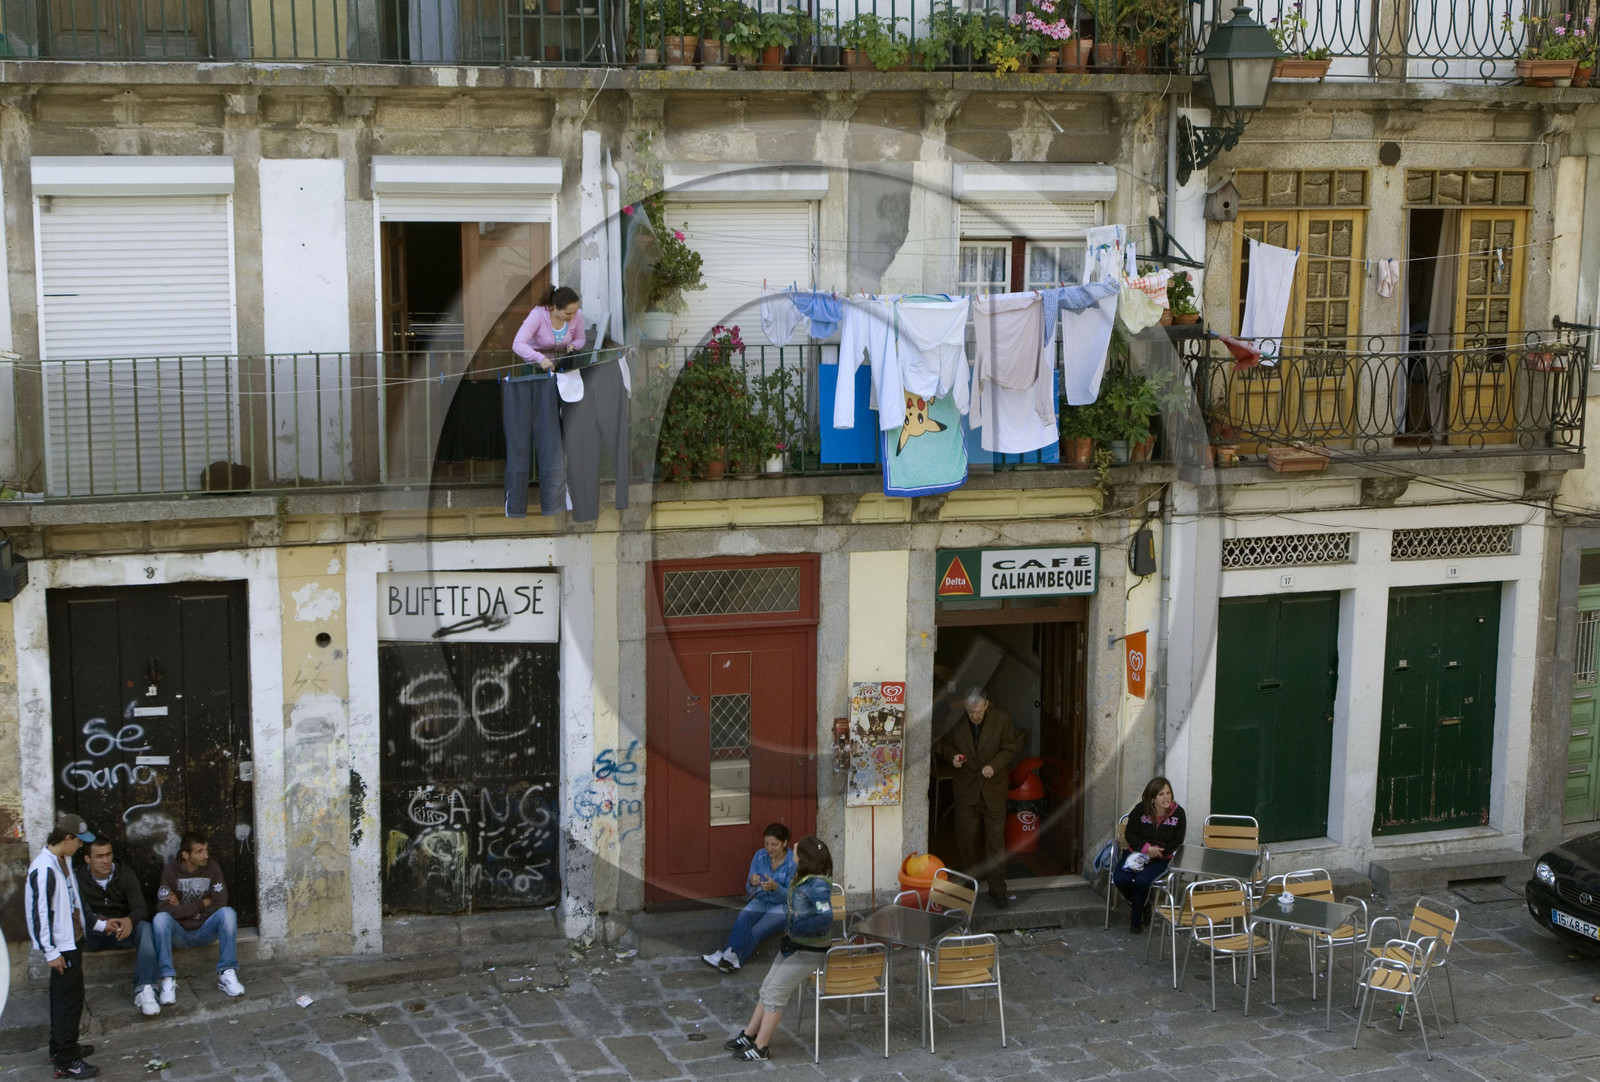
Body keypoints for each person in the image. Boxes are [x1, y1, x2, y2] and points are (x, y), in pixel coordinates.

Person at [724, 835, 835, 1063]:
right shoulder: (802, 878)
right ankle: (749, 1034)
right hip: (793, 945)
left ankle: (761, 1047)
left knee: (776, 993)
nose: (792, 849)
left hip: (808, 950)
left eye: (796, 849)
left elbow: (825, 919)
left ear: (803, 858)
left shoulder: (818, 885)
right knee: (767, 987)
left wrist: (797, 923)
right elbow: (790, 899)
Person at [24, 812, 99, 1079]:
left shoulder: (62, 860)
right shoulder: (44, 869)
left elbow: (74, 902)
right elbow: (41, 915)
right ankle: (67, 1060)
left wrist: (98, 924)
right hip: (62, 947)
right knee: (68, 1002)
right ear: (67, 838)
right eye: (79, 841)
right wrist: (51, 952)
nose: (81, 846)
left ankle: (60, 1048)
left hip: (72, 941)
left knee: (68, 998)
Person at [933, 687, 1022, 908]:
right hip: (966, 788)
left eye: (979, 712)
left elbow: (1010, 748)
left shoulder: (1002, 719)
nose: (975, 716)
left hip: (993, 788)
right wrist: (953, 757)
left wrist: (995, 765)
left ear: (987, 705)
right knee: (967, 839)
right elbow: (945, 745)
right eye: (971, 712)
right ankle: (971, 883)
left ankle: (997, 889)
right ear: (965, 706)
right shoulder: (955, 720)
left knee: (995, 840)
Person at [504, 285, 586, 518]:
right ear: (554, 309)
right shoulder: (538, 315)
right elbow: (517, 344)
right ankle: (530, 477)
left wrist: (573, 346)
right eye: (568, 314)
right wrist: (539, 358)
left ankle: (558, 486)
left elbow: (581, 338)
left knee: (554, 427)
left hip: (560, 372)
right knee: (534, 425)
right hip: (534, 371)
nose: (573, 317)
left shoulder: (576, 316)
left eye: (575, 313)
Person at [152, 830, 245, 1001]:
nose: (206, 855)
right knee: (160, 919)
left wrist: (182, 910)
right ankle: (166, 978)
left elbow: (219, 902)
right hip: (179, 933)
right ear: (186, 855)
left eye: (206, 850)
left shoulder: (213, 868)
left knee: (228, 913)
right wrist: (202, 903)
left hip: (205, 930)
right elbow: (164, 908)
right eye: (200, 851)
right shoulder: (170, 872)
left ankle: (226, 972)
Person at [75, 837, 161, 1017]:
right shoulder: (77, 878)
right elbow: (79, 912)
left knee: (145, 928)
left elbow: (141, 909)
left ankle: (145, 989)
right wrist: (101, 924)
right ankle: (74, 995)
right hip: (94, 934)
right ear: (87, 859)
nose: (105, 861)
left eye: (108, 855)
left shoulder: (125, 874)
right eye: (99, 856)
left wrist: (129, 920)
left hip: (122, 933)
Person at [703, 823, 797, 973]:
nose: (769, 848)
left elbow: (792, 897)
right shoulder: (760, 856)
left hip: (783, 907)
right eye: (766, 843)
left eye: (774, 844)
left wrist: (775, 887)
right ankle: (729, 960)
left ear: (785, 843)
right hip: (761, 900)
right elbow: (749, 888)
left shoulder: (793, 862)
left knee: (757, 930)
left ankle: (729, 959)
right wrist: (752, 882)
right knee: (743, 917)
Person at [1113, 775, 1187, 934]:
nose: (1167, 797)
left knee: (1142, 881)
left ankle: (1136, 922)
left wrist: (1160, 851)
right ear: (1152, 798)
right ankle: (1144, 905)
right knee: (1120, 878)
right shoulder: (1140, 810)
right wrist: (1146, 849)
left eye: (1168, 793)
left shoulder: (1178, 813)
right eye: (1161, 794)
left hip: (1161, 858)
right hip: (1136, 854)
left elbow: (1178, 840)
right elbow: (1130, 835)